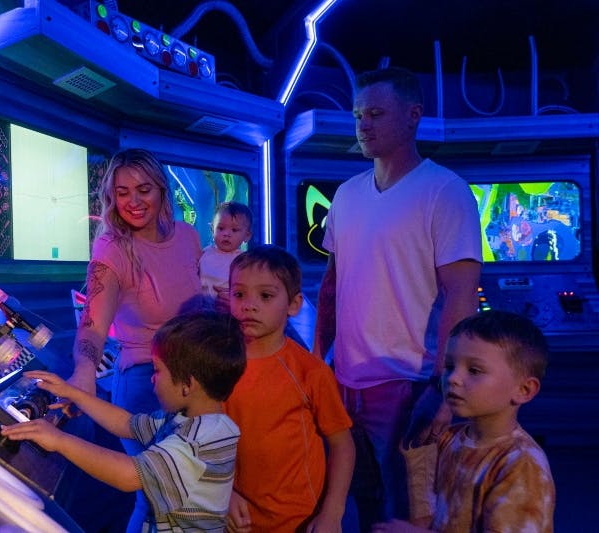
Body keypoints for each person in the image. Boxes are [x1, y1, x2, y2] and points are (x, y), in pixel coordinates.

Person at [312, 66, 483, 529]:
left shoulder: (444, 191)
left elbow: (462, 296)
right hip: (344, 380)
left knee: (407, 509)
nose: (363, 125)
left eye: (375, 113)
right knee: (361, 499)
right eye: (357, 115)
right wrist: (316, 362)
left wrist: (446, 388)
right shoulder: (346, 196)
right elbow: (331, 285)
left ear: (413, 116)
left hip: (408, 382)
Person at [2, 310, 248, 531]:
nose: (153, 379)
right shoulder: (189, 419)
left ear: (187, 385)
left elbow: (129, 475)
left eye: (158, 370)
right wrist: (75, 393)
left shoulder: (198, 442)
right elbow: (127, 424)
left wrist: (58, 440)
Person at [66, 148, 203, 531]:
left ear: (161, 190)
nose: (133, 202)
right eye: (123, 192)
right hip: (147, 380)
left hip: (195, 380)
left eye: (143, 189)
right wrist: (84, 371)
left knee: (191, 493)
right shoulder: (113, 248)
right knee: (159, 492)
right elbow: (92, 325)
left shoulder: (188, 238)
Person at [373, 310, 556, 532]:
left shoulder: (522, 465)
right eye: (450, 366)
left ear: (524, 390)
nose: (453, 378)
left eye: (474, 370)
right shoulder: (452, 439)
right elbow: (432, 507)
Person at [224, 244, 355, 532]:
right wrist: (223, 494)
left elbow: (342, 444)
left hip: (298, 521)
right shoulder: (217, 366)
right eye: (239, 294)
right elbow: (200, 440)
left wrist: (333, 513)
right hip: (234, 520)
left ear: (294, 305)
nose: (249, 304)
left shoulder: (311, 372)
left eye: (266, 295)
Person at [199, 201, 253, 309]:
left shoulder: (245, 261)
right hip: (201, 309)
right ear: (212, 230)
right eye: (221, 228)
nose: (226, 234)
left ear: (247, 236)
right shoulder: (203, 253)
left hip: (229, 311)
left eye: (234, 230)